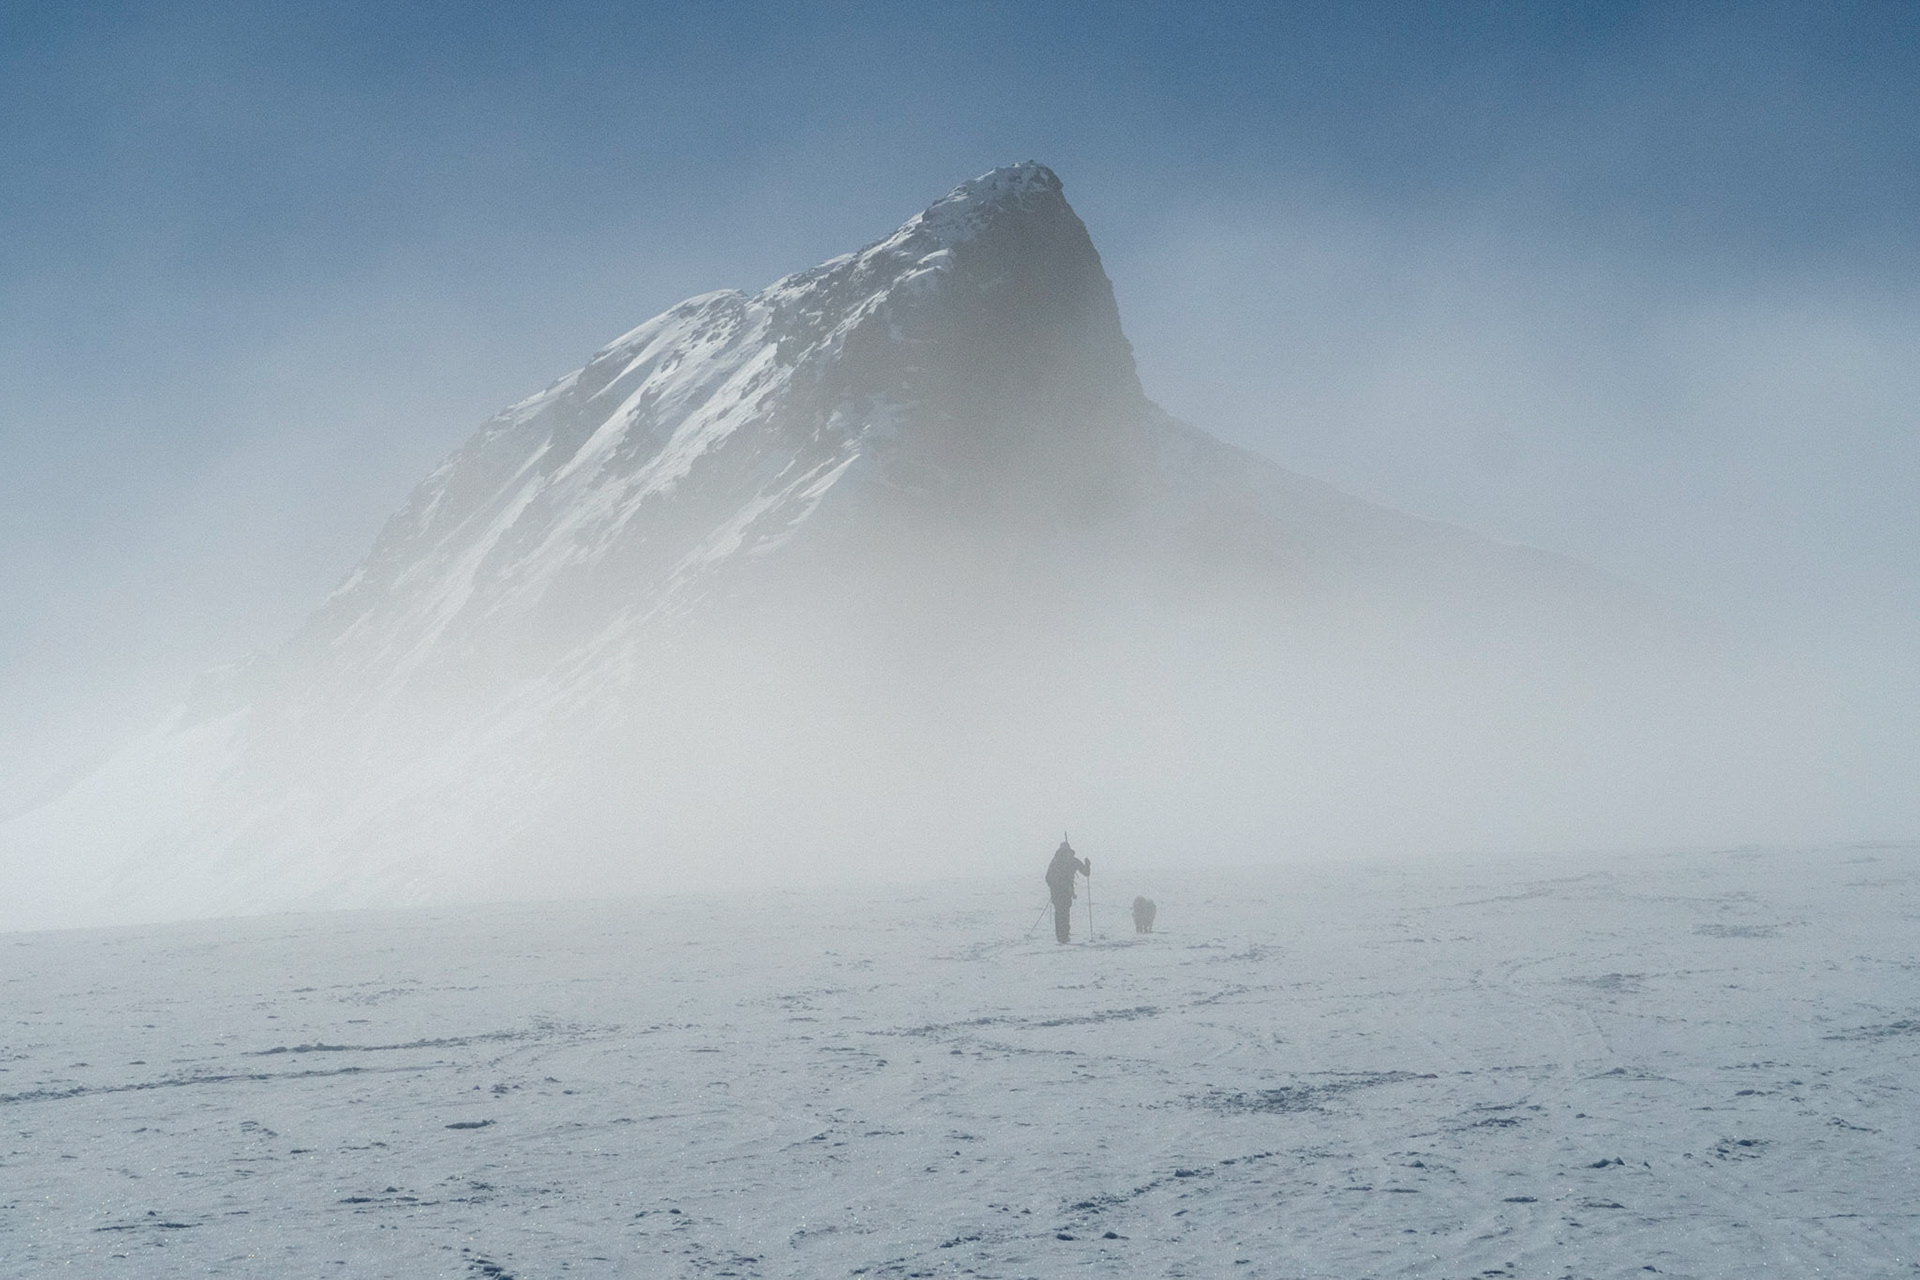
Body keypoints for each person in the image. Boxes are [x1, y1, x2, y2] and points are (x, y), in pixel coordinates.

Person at [1044, 836, 1090, 944]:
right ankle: (1064, 937)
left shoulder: (1055, 861)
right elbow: (1086, 873)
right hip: (1065, 892)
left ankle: (1061, 938)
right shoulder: (1072, 861)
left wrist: (1053, 888)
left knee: (1060, 914)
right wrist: (1087, 865)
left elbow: (1047, 878)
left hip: (1058, 893)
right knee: (1064, 914)